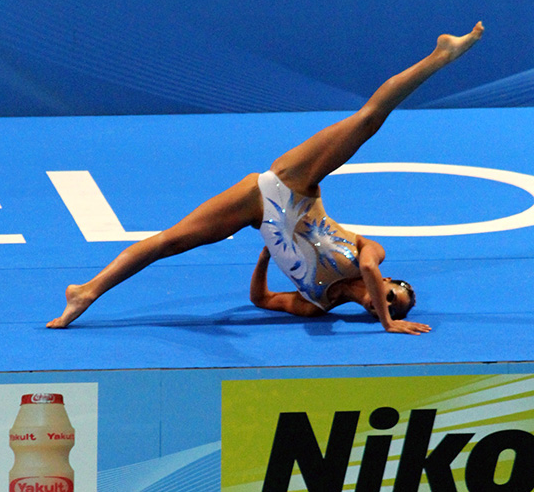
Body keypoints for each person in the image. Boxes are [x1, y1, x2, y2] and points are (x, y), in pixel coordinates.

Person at [47, 22, 484, 335]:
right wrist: (391, 323)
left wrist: (262, 259)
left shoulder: (318, 308)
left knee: (170, 242)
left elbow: (262, 302)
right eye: (391, 296)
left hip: (257, 212)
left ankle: (85, 292)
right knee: (367, 121)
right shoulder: (371, 255)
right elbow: (369, 269)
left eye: (386, 308)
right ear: (387, 283)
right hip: (295, 184)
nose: (382, 303)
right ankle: (440, 55)